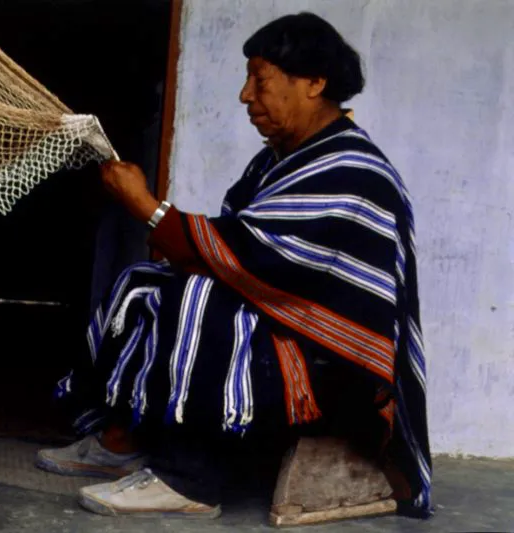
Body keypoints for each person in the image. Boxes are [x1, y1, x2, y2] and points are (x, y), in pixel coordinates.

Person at [36, 12, 433, 520]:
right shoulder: (277, 160)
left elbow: (254, 262)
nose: (246, 96)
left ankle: (189, 480)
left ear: (315, 83)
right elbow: (239, 255)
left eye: (260, 81)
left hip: (337, 371)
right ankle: (121, 442)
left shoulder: (354, 171)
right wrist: (168, 230)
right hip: (287, 333)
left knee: (201, 301)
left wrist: (145, 206)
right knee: (146, 282)